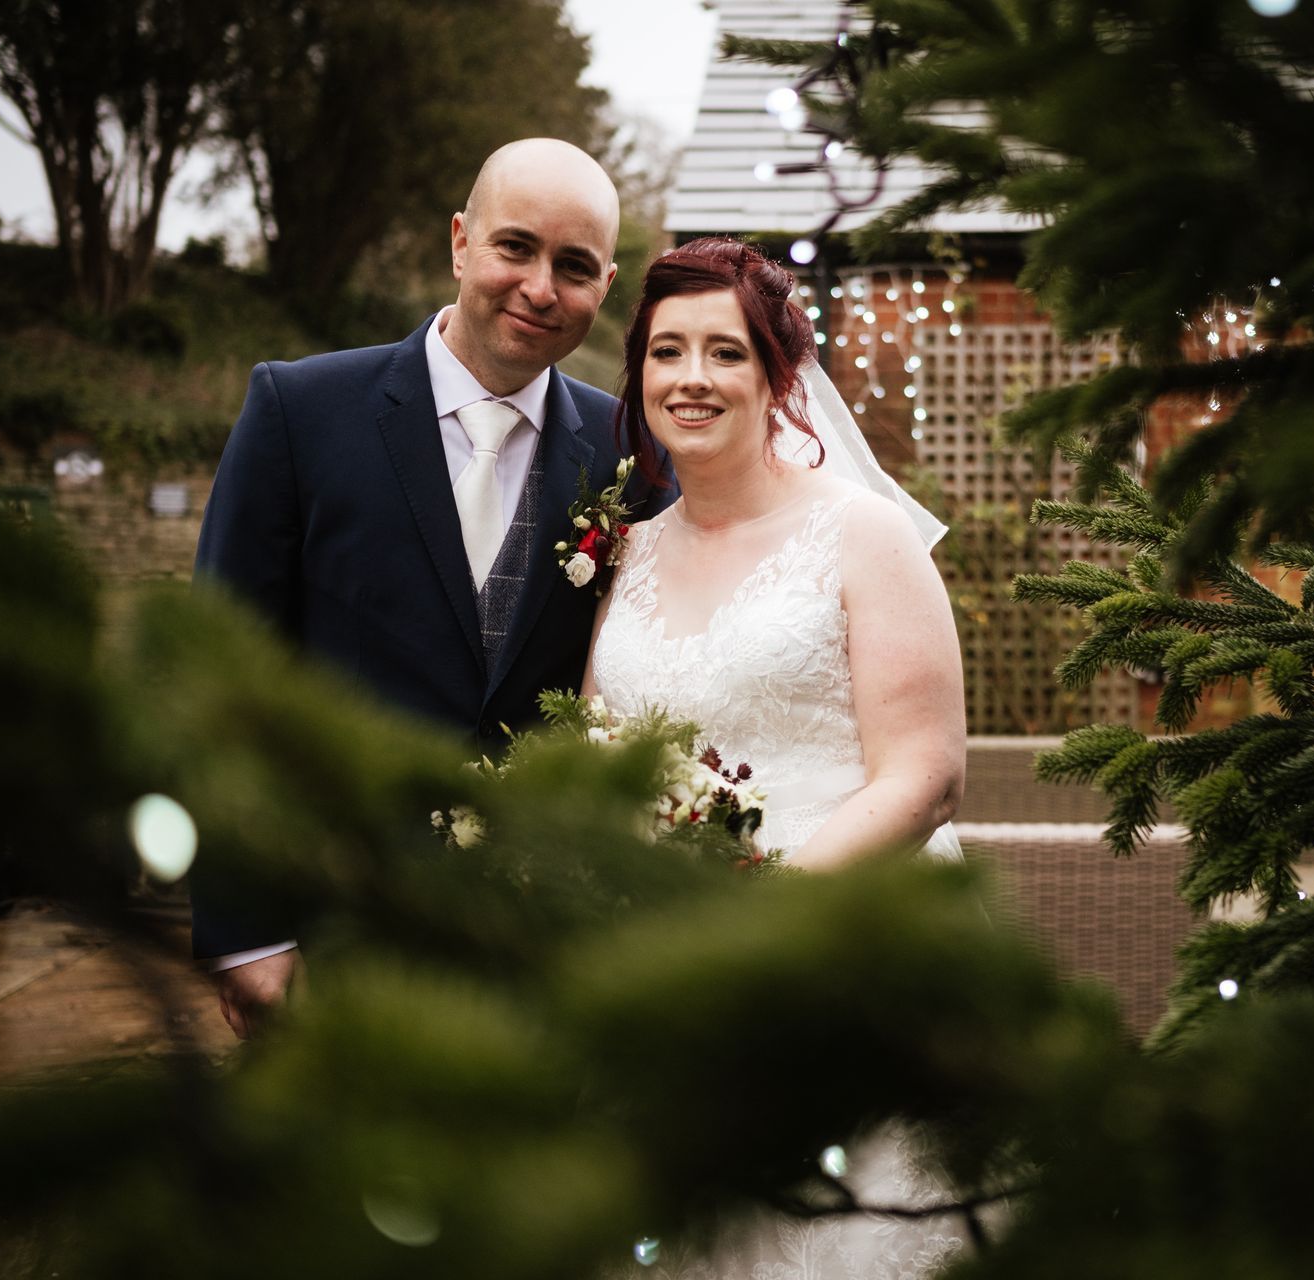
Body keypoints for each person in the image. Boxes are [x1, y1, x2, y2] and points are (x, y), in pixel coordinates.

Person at [191, 139, 671, 1039]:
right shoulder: (300, 411)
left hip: (547, 948)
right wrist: (245, 930)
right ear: (460, 242)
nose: (540, 288)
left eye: (574, 267)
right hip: (336, 922)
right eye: (515, 247)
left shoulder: (631, 454)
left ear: (605, 285)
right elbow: (217, 675)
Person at [585, 238, 972, 1271]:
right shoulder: (627, 552)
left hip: (842, 943)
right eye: (667, 351)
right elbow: (597, 751)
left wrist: (758, 918)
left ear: (777, 377)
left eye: (726, 352)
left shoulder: (864, 534)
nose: (692, 377)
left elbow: (925, 775)